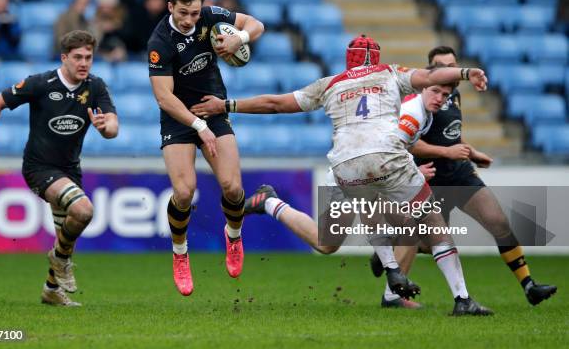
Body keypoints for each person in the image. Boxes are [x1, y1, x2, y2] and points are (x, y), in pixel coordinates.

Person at [190, 34, 493, 316]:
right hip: (385, 159)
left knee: (329, 241)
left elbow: (276, 103)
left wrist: (226, 105)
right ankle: (461, 298)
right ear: (375, 59)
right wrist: (467, 73)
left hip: (345, 168)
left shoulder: (330, 84)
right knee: (432, 222)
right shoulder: (390, 73)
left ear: (348, 60)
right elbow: (430, 76)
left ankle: (272, 203)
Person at [370, 46, 557, 307]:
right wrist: (447, 152)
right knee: (428, 241)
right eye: (443, 66)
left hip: (459, 174)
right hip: (430, 177)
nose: (450, 73)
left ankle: (529, 285)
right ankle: (393, 267)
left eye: (452, 66)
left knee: (498, 222)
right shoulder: (421, 98)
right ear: (431, 70)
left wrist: (471, 152)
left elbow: (452, 133)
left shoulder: (453, 94)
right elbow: (411, 143)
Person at [0, 30, 119, 306]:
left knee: (66, 234)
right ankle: (59, 260)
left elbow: (113, 126)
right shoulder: (41, 83)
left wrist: (105, 127)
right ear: (64, 58)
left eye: (88, 57)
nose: (84, 63)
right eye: (77, 57)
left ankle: (51, 289)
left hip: (70, 170)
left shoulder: (95, 87)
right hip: (39, 168)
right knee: (83, 210)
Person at [147, 0, 264, 296]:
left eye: (195, 13)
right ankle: (180, 254)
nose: (189, 19)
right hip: (178, 118)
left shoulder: (210, 16)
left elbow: (256, 24)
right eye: (183, 13)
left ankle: (234, 235)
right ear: (171, 7)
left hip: (213, 107)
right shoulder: (160, 41)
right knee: (184, 192)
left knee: (233, 186)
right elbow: (163, 97)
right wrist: (198, 127)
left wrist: (240, 37)